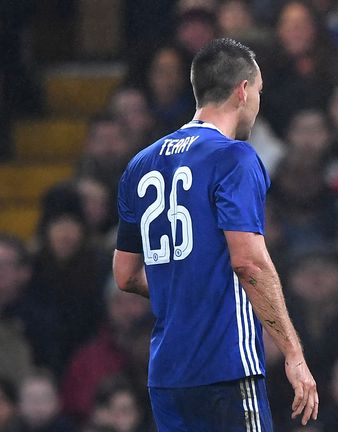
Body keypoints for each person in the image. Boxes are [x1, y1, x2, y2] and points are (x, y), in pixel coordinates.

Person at [112, 38, 318, 431]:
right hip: (225, 364)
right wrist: (293, 354)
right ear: (243, 90)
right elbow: (249, 262)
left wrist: (188, 287)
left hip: (167, 374)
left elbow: (125, 275)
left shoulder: (140, 164)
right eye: (258, 91)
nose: (258, 101)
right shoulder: (233, 156)